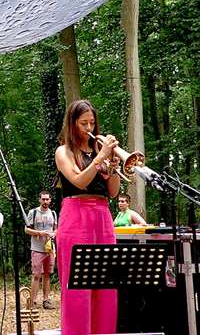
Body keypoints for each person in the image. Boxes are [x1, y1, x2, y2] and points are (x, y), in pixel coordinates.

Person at [54, 99, 121, 335]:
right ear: (72, 124)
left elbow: (113, 192)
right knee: (77, 289)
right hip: (75, 217)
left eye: (92, 122)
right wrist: (99, 158)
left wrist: (112, 166)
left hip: (102, 217)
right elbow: (79, 181)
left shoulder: (98, 152)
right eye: (84, 123)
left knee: (105, 286)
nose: (89, 128)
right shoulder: (64, 151)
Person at [25, 190, 58, 310]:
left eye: (47, 199)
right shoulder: (33, 212)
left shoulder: (53, 214)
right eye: (43, 199)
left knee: (47, 274)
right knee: (36, 275)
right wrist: (39, 232)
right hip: (37, 248)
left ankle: (46, 300)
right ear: (39, 199)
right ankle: (33, 301)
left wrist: (54, 234)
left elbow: (56, 229)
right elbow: (27, 229)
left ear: (50, 200)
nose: (45, 202)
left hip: (49, 249)